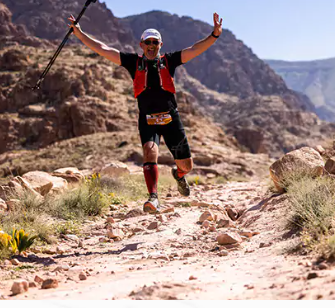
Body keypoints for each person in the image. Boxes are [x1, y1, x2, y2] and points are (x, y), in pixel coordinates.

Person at [67, 12, 223, 213]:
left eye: (155, 42)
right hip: (147, 120)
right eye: (147, 42)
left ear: (160, 44)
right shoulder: (133, 62)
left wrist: (214, 35)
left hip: (170, 118)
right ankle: (153, 198)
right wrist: (79, 34)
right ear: (141, 45)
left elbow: (195, 49)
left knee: (187, 166)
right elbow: (103, 48)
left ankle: (179, 175)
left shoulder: (170, 60)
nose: (151, 45)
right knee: (150, 153)